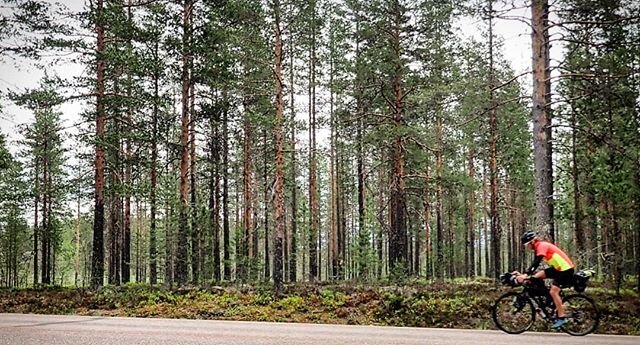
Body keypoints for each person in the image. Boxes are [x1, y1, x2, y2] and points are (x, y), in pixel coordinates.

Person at [514, 231, 575, 329]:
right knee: (537, 276)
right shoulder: (539, 247)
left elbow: (536, 263)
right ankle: (547, 300)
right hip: (558, 268)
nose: (528, 247)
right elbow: (533, 266)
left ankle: (562, 317)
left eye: (528, 245)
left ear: (532, 242)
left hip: (566, 270)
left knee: (554, 291)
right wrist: (525, 275)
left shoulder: (541, 246)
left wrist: (525, 275)